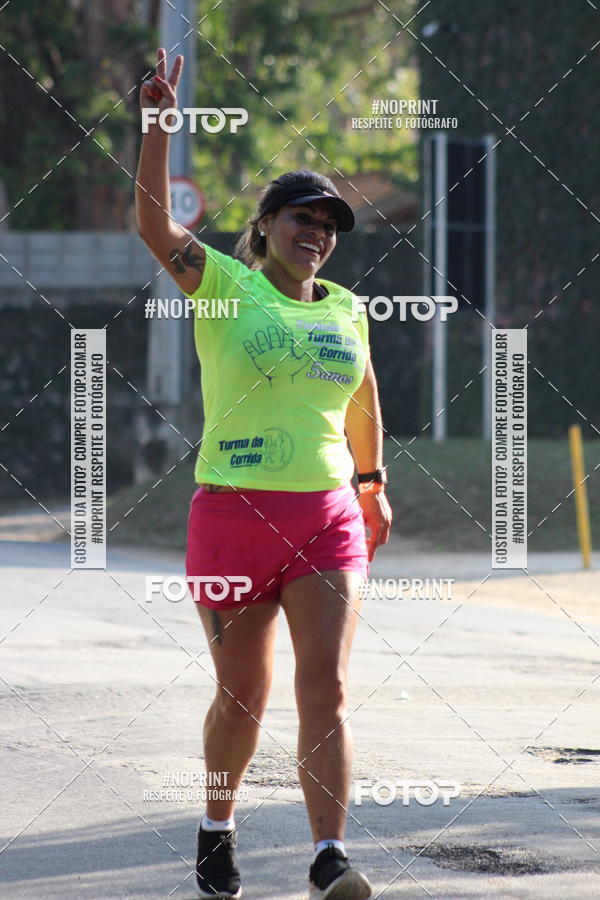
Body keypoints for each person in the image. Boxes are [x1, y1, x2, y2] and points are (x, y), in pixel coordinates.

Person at [136, 48, 392, 900]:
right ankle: (217, 826)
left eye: (330, 225)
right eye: (302, 218)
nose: (317, 233)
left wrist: (372, 481)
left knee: (328, 686)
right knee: (241, 697)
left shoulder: (350, 309)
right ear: (268, 223)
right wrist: (158, 133)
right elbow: (152, 224)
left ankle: (329, 857)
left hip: (325, 518)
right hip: (232, 517)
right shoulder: (224, 287)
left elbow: (362, 399)